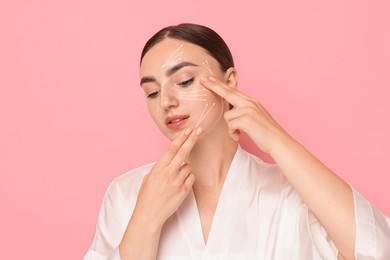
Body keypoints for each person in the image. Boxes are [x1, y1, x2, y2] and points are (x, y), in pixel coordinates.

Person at [83, 23, 390, 260]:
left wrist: (278, 140)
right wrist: (146, 219)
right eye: (151, 92)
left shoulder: (291, 193)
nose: (166, 101)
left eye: (185, 81)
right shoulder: (126, 194)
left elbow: (378, 251)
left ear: (229, 82)